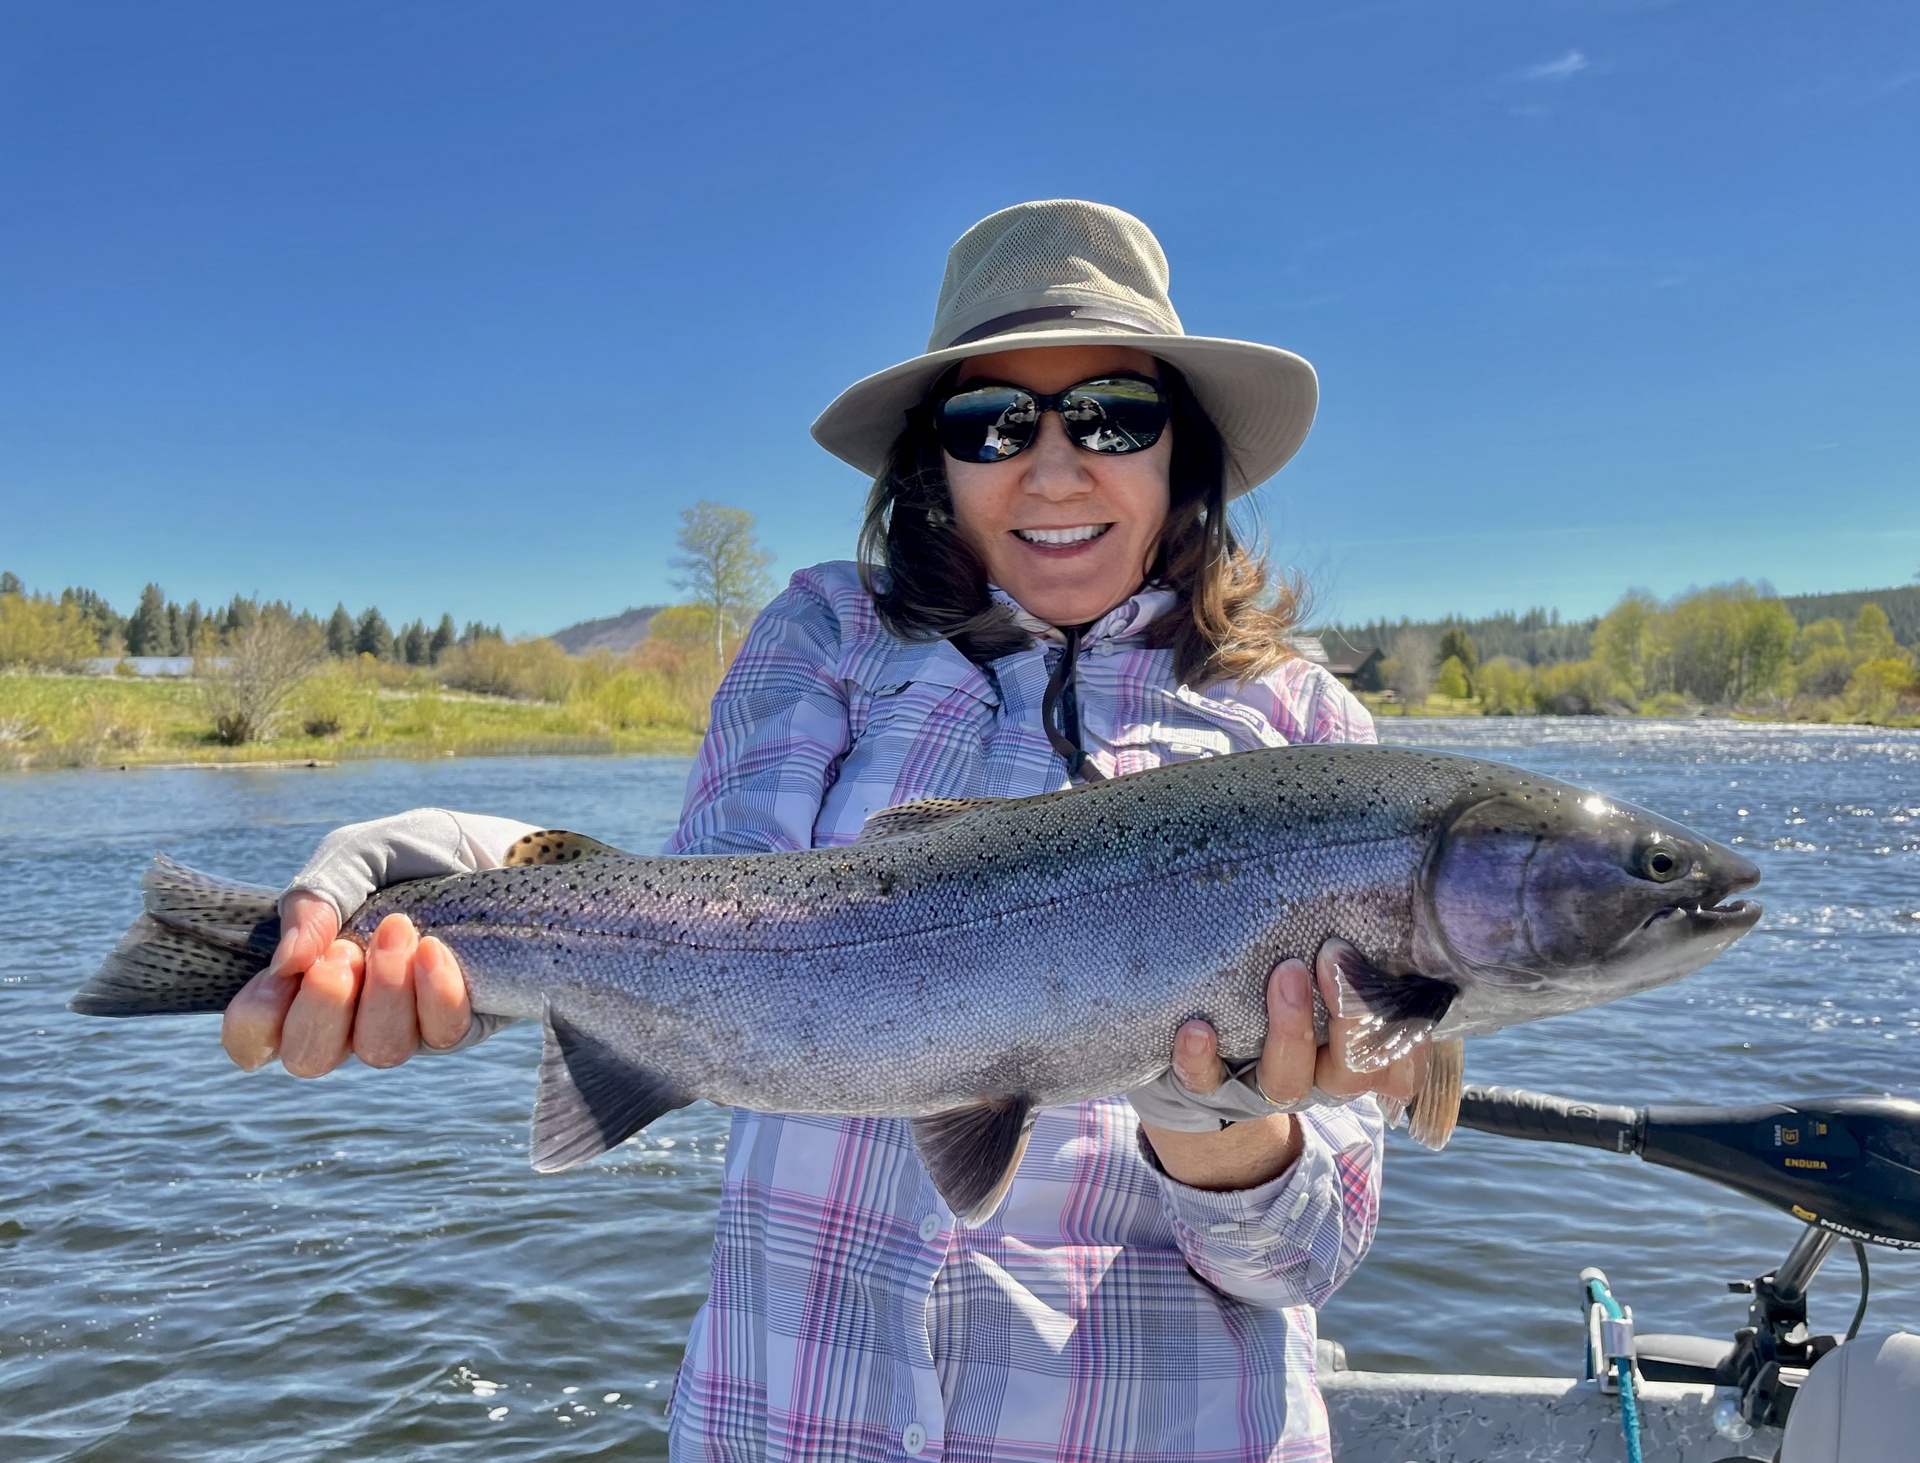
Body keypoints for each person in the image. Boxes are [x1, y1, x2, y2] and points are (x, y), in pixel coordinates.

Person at [220, 199, 1428, 1463]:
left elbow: (1305, 1258)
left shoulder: (1306, 727)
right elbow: (715, 920)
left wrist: (1212, 1116)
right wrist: (475, 864)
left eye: (1116, 413)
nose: (1055, 467)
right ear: (933, 458)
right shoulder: (831, 636)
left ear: (1187, 451)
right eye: (993, 421)